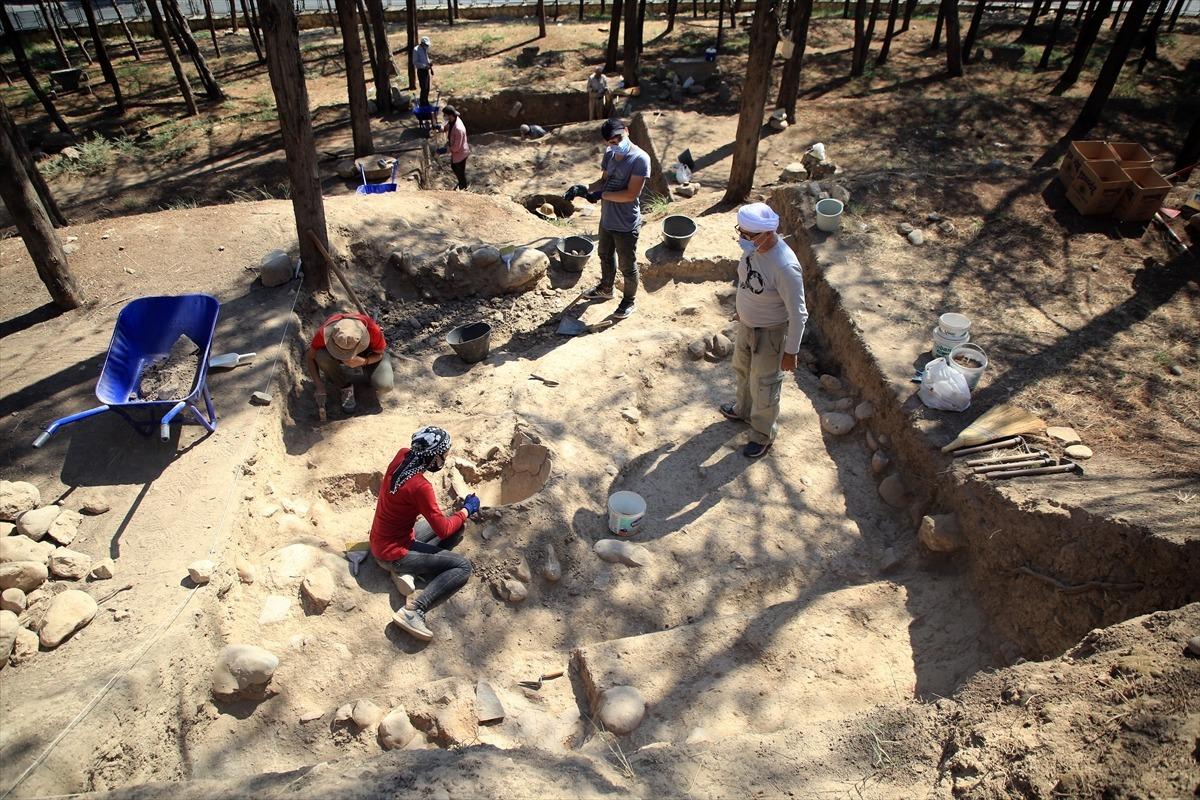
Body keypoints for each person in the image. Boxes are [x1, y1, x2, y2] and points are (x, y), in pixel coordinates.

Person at [371, 426, 482, 642]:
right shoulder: (421, 486)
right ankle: (414, 610)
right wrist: (467, 509)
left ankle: (407, 573)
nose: (444, 459)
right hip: (394, 552)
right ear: (433, 457)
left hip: (384, 538)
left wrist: (459, 516)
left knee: (455, 522)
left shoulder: (402, 455)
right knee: (462, 566)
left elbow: (443, 523)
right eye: (444, 455)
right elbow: (442, 529)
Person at [720, 203, 809, 459]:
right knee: (742, 369)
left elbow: (798, 314)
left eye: (748, 235)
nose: (742, 239)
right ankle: (743, 410)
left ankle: (762, 434)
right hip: (747, 326)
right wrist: (741, 310)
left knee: (765, 385)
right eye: (741, 232)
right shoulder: (753, 249)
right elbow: (747, 281)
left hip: (770, 334)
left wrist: (791, 352)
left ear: (768, 233)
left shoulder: (784, 266)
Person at [581, 118, 650, 320]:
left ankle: (629, 301)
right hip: (607, 219)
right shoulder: (610, 154)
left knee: (627, 266)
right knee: (604, 254)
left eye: (618, 138)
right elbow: (603, 180)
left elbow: (631, 194)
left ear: (626, 131)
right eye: (611, 142)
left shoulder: (640, 159)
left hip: (626, 223)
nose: (616, 144)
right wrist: (584, 189)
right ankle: (606, 288)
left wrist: (602, 195)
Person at [305, 312, 393, 420]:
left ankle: (369, 377)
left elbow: (380, 354)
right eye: (341, 351)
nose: (347, 356)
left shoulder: (373, 330)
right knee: (321, 356)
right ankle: (344, 386)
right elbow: (310, 357)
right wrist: (319, 386)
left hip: (367, 355)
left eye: (348, 352)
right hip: (336, 358)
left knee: (385, 385)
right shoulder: (324, 333)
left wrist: (364, 361)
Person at [439, 105, 470, 190]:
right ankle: (461, 183)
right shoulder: (452, 120)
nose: (444, 117)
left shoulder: (459, 129)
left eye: (445, 115)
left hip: (461, 153)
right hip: (456, 153)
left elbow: (456, 148)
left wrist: (444, 150)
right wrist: (440, 128)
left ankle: (463, 188)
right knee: (453, 166)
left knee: (460, 172)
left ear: (450, 115)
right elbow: (446, 127)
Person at [414, 36, 433, 108]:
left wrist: (429, 62)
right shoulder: (416, 50)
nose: (427, 46)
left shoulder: (424, 49)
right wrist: (424, 66)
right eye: (426, 45)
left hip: (426, 70)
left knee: (427, 87)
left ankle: (426, 101)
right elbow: (415, 62)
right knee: (424, 87)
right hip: (421, 71)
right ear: (422, 43)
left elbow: (425, 58)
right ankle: (422, 103)